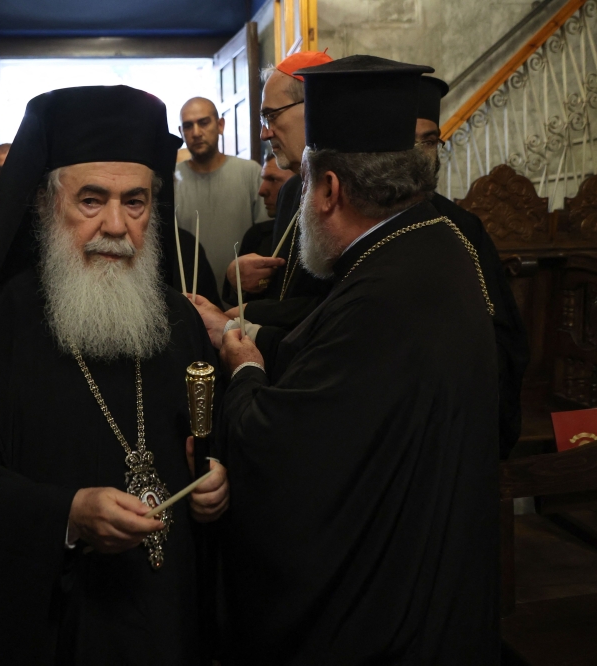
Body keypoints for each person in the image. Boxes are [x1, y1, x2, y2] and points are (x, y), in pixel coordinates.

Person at [0, 86, 230, 665]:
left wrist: (216, 482)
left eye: (135, 202)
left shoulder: (177, 321)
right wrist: (67, 515)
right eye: (90, 200)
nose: (115, 224)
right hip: (58, 632)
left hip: (169, 622)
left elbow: (208, 441)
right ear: (47, 204)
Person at [218, 56, 500, 664]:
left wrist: (242, 366)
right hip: (437, 559)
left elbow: (280, 449)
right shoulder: (434, 242)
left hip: (384, 609)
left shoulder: (384, 288)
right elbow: (334, 354)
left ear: (329, 189)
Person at [415, 75, 530, 458]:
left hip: (452, 424)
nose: (421, 155)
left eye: (430, 141)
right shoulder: (353, 225)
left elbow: (504, 339)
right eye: (408, 143)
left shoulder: (463, 228)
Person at [191, 51, 335, 345]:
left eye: (271, 116)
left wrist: (254, 311)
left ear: (315, 106)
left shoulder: (349, 190)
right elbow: (283, 289)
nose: (264, 133)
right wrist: (241, 283)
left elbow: (337, 302)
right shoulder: (293, 190)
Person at [174, 97, 269, 298]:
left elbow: (266, 239)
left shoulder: (250, 173)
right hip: (191, 301)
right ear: (181, 133)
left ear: (220, 125)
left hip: (244, 299)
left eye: (204, 122)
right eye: (188, 126)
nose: (196, 132)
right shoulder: (171, 180)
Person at [220, 153, 292, 304]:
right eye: (264, 179)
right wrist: (234, 278)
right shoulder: (257, 235)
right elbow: (236, 302)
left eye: (273, 180)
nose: (261, 190)